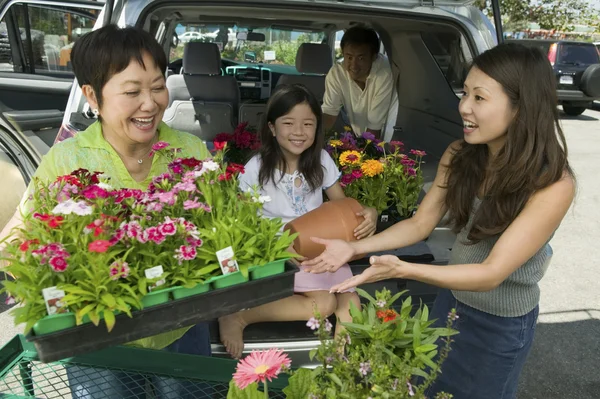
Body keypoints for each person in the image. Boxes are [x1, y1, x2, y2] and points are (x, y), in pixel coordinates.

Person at [302, 43, 576, 399]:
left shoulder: (552, 184)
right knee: (427, 389)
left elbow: (491, 273)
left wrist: (402, 269)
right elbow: (419, 225)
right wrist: (353, 247)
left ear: (521, 108)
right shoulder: (460, 155)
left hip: (500, 326)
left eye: (480, 98)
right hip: (452, 305)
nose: (464, 106)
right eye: (465, 93)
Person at [0, 25, 212, 398]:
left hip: (180, 326)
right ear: (93, 97)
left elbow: (224, 227)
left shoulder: (191, 151)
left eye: (158, 86)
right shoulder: (68, 160)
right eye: (132, 92)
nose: (150, 103)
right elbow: (22, 230)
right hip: (97, 334)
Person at [218, 84, 379, 359]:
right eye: (288, 123)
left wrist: (370, 212)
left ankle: (341, 361)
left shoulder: (321, 160)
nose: (298, 131)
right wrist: (277, 246)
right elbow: (241, 222)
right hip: (278, 251)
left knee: (351, 300)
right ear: (272, 127)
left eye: (308, 124)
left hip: (318, 248)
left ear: (317, 128)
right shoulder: (255, 168)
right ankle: (239, 316)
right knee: (324, 303)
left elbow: (341, 205)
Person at [322, 26, 394, 139]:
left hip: (388, 137)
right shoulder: (337, 73)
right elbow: (329, 113)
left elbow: (374, 127)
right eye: (349, 57)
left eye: (361, 58)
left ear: (374, 57)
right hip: (360, 133)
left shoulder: (384, 74)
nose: (354, 66)